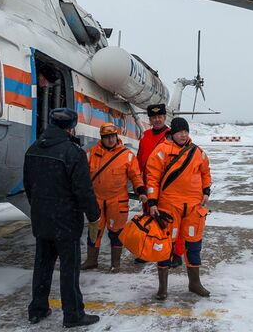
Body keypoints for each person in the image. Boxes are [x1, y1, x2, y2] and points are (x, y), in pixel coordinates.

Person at [24, 108, 101, 328]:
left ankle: (37, 309)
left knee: (42, 266)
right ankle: (73, 314)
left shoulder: (33, 149)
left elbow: (29, 186)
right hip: (66, 222)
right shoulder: (73, 152)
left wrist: (40, 209)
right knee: (69, 269)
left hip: (42, 220)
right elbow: (83, 190)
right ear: (71, 127)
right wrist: (94, 215)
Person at [145, 117, 212, 300]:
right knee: (165, 246)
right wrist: (152, 202)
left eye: (185, 131)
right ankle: (163, 288)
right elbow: (152, 178)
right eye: (179, 131)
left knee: (194, 244)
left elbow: (206, 173)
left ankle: (194, 283)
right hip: (169, 207)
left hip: (193, 207)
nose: (183, 135)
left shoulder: (198, 152)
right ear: (172, 133)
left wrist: (206, 191)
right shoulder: (161, 151)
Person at [82, 123, 148, 273]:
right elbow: (83, 176)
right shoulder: (91, 154)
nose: (110, 140)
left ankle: (115, 264)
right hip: (96, 200)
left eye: (113, 136)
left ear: (117, 137)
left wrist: (141, 191)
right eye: (107, 137)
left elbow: (136, 176)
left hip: (117, 201)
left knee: (116, 232)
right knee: (94, 231)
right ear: (102, 138)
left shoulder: (127, 155)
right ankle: (92, 260)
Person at [134, 103, 184, 267]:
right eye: (153, 117)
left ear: (164, 117)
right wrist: (139, 185)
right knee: (148, 219)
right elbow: (140, 161)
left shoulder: (172, 136)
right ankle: (148, 250)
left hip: (167, 188)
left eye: (160, 117)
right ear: (150, 119)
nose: (157, 120)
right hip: (149, 187)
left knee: (170, 222)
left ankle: (174, 253)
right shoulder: (145, 136)